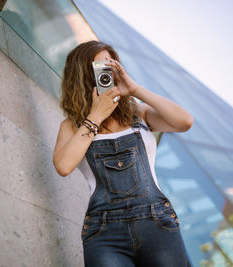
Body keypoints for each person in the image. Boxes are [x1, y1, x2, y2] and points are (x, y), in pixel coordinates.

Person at [53, 40, 193, 266]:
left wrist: (135, 89)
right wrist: (95, 116)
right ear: (82, 76)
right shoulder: (71, 126)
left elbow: (184, 122)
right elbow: (63, 166)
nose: (105, 74)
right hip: (105, 231)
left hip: (156, 223)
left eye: (110, 67)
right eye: (98, 68)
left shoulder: (137, 112)